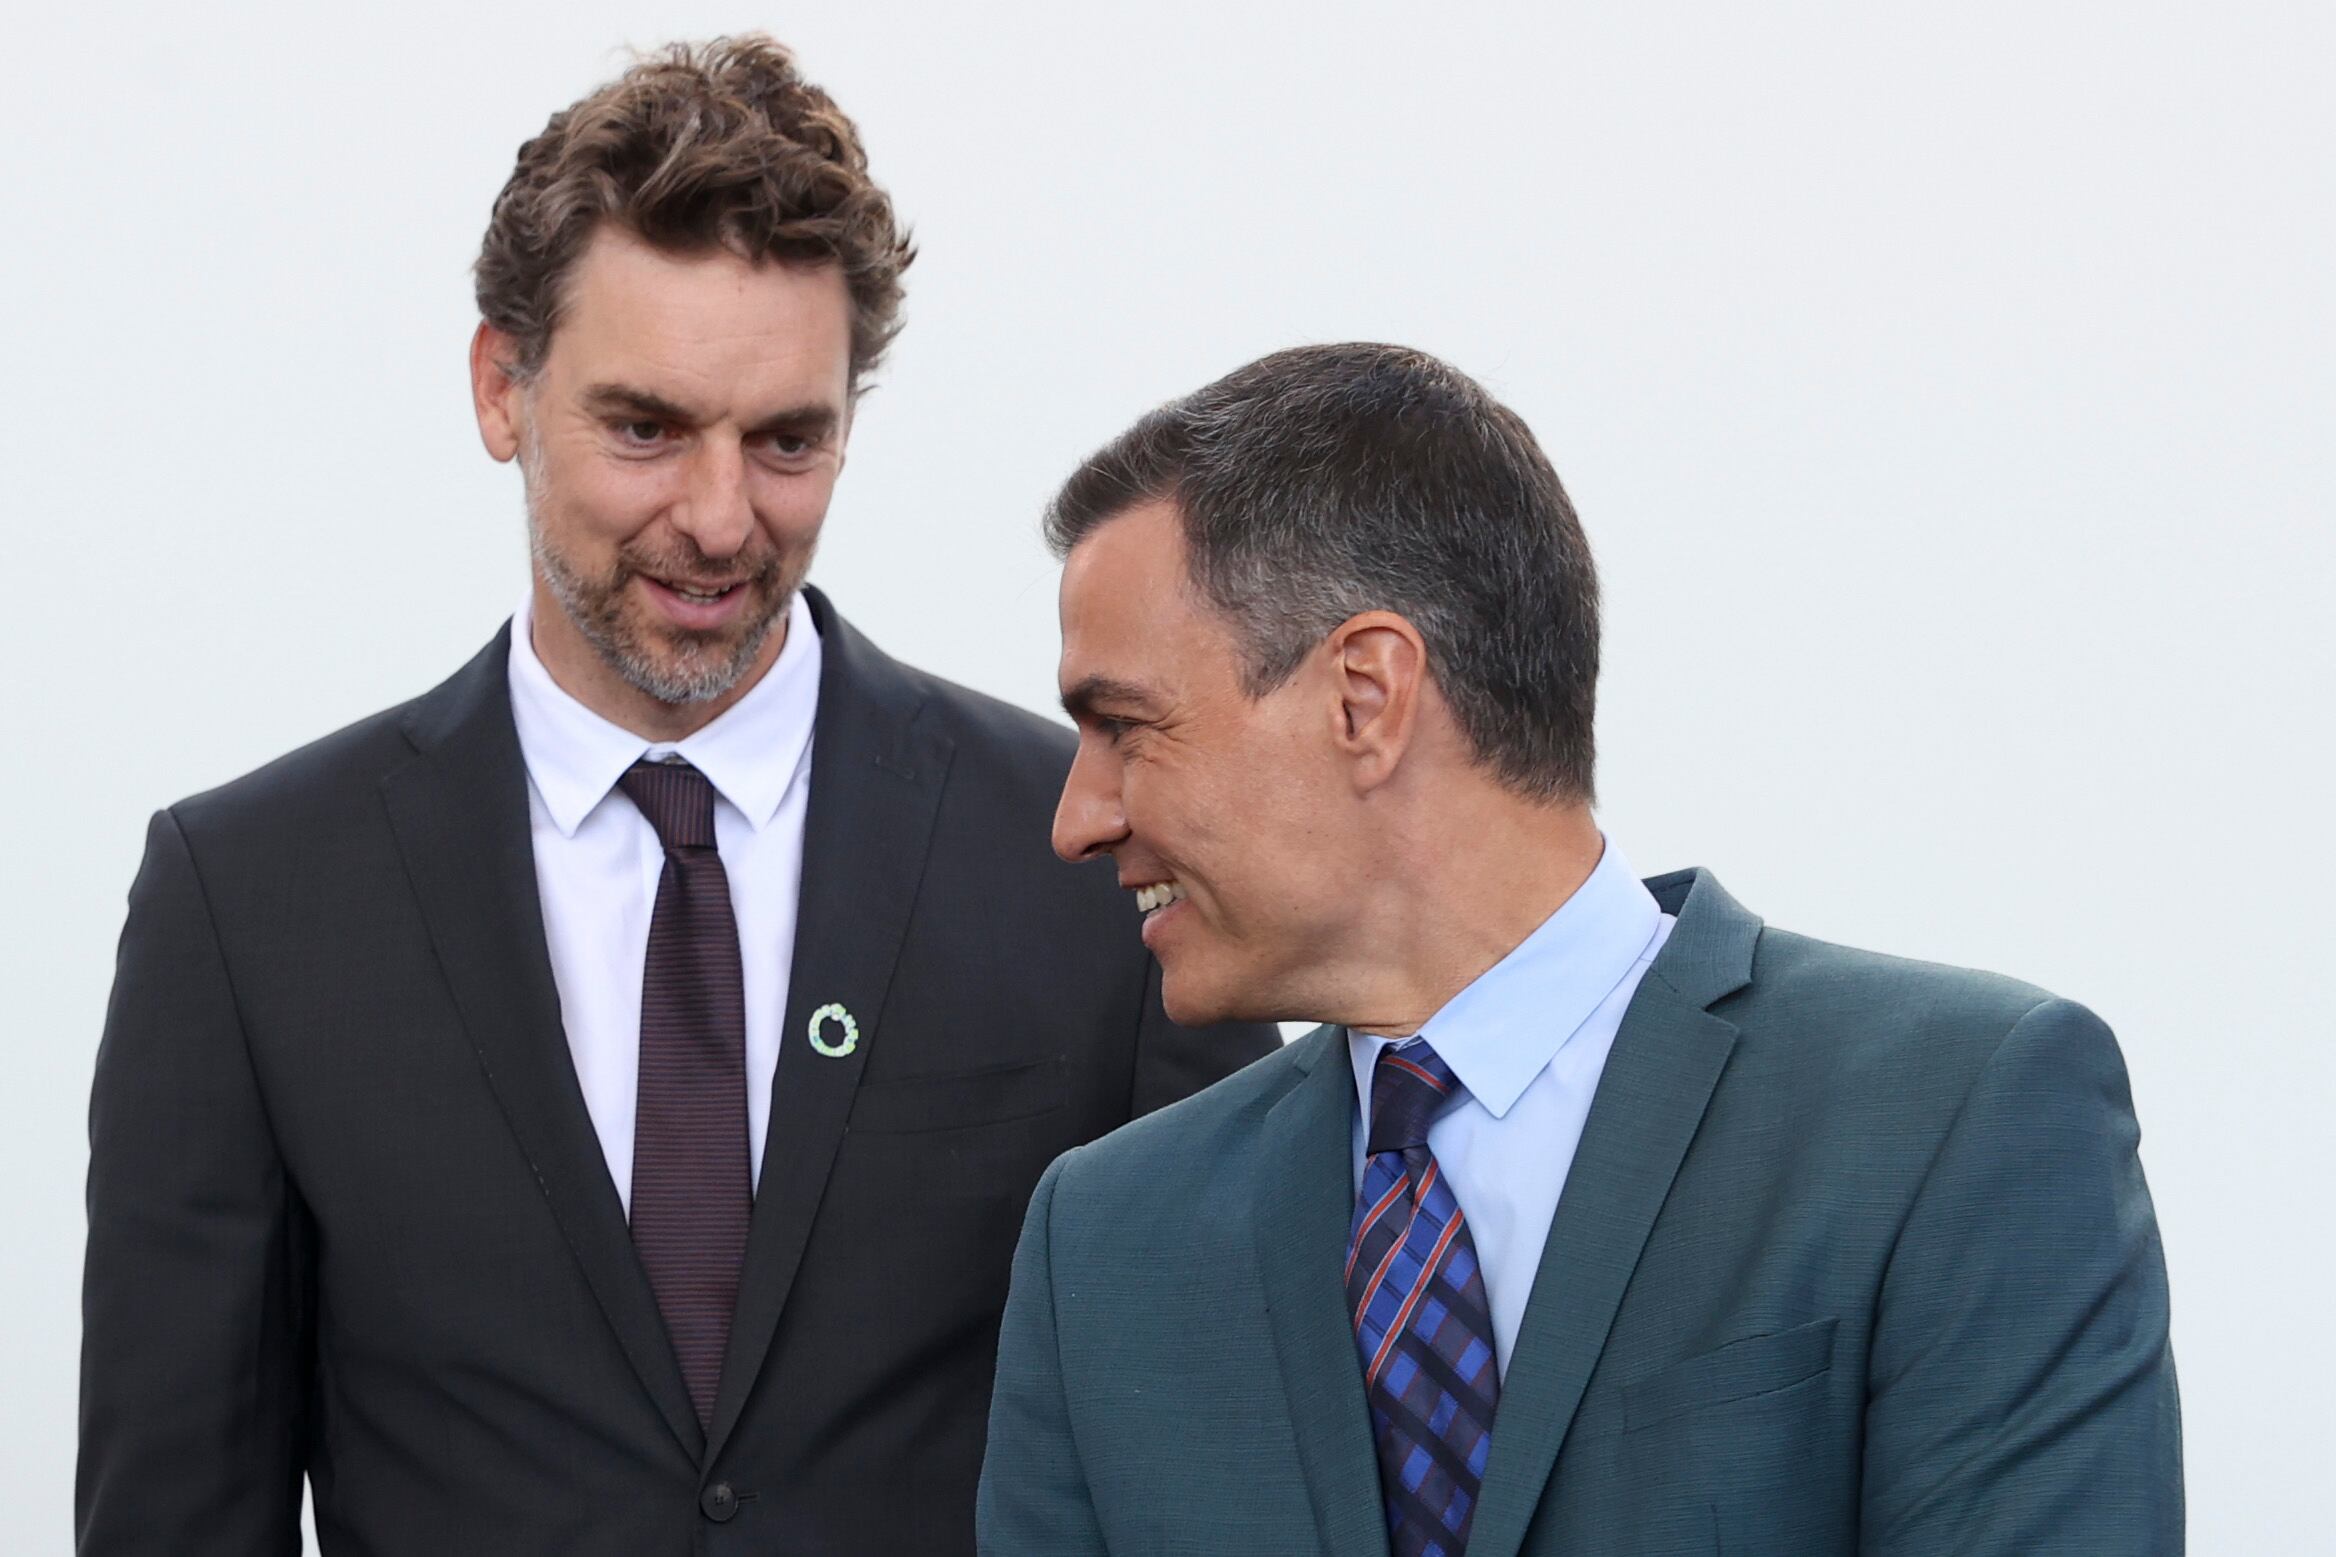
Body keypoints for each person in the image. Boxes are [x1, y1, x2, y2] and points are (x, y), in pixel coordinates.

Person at [77, 37, 1277, 1557]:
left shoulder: (1094, 848)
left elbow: (1246, 1458)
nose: (720, 521)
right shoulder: (250, 901)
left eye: (787, 440)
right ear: (501, 389)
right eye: (644, 427)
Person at [978, 343, 2182, 1555]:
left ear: (1365, 695)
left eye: (1124, 727)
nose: (1079, 820)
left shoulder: (1949, 1119)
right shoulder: (1103, 1247)